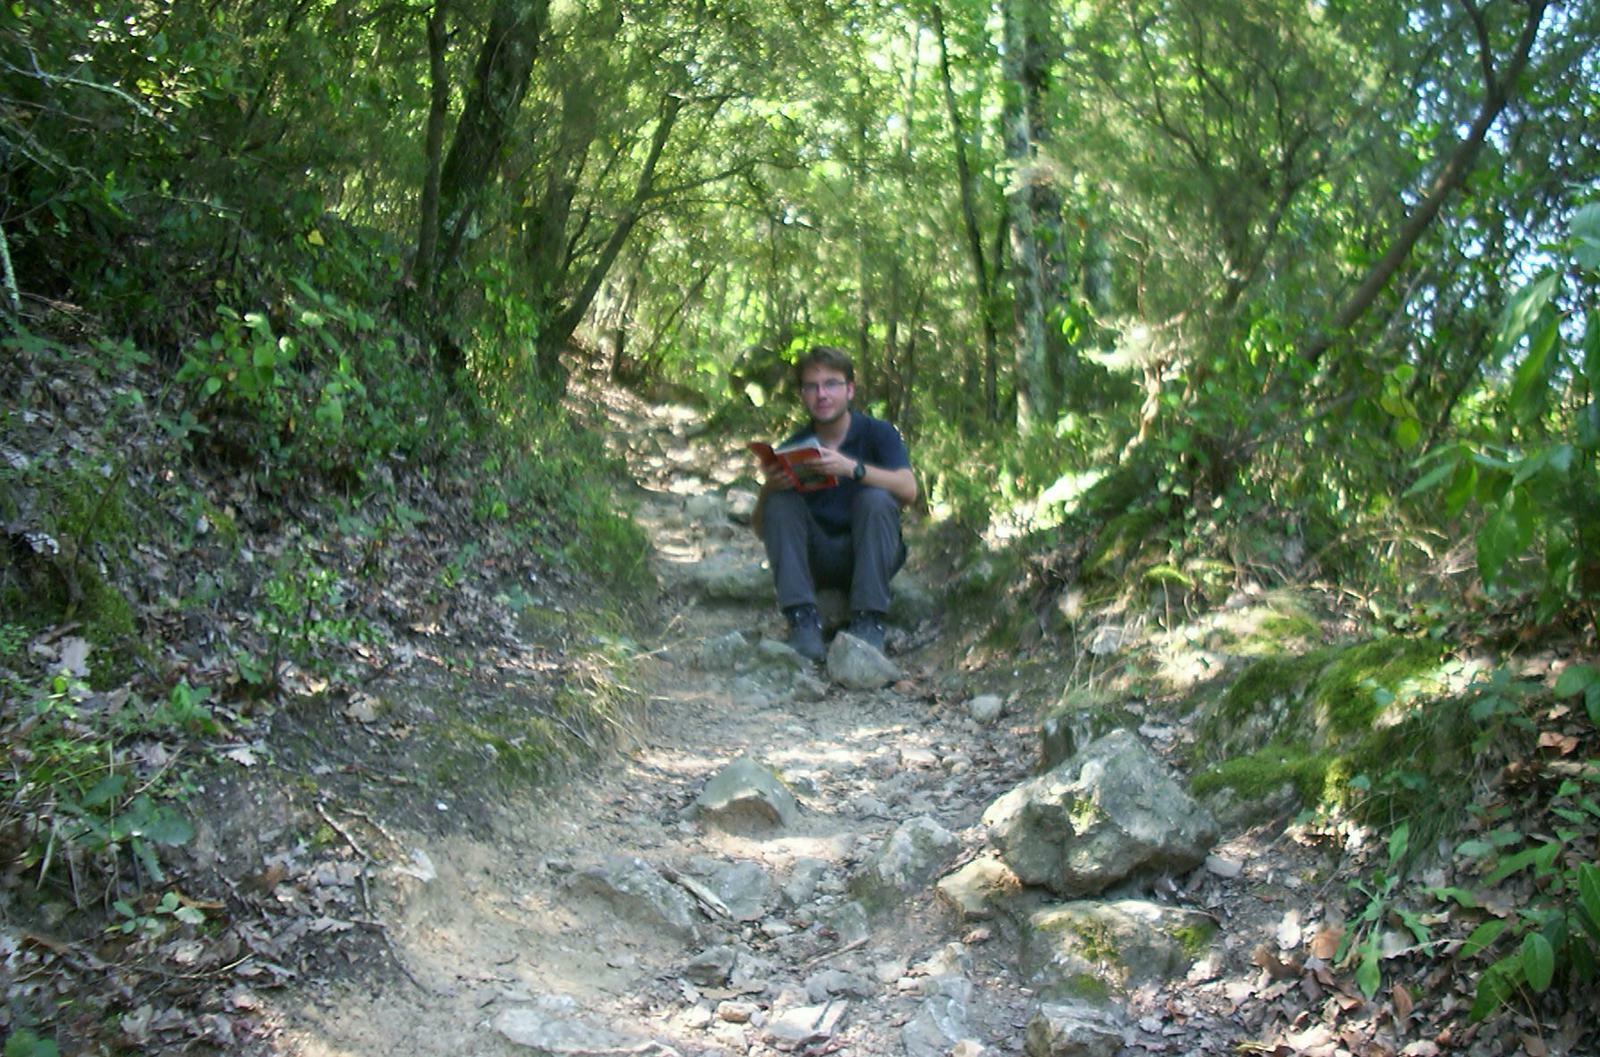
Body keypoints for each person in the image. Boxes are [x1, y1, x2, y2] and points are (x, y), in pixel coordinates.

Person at [752, 345, 917, 661]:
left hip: (872, 552)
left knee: (876, 499)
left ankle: (868, 622)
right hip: (817, 559)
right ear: (802, 394)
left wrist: (851, 469)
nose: (822, 394)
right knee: (780, 502)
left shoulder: (878, 433)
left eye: (831, 384)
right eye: (812, 387)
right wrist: (768, 490)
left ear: (850, 390)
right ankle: (802, 624)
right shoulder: (794, 446)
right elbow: (761, 529)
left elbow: (909, 490)